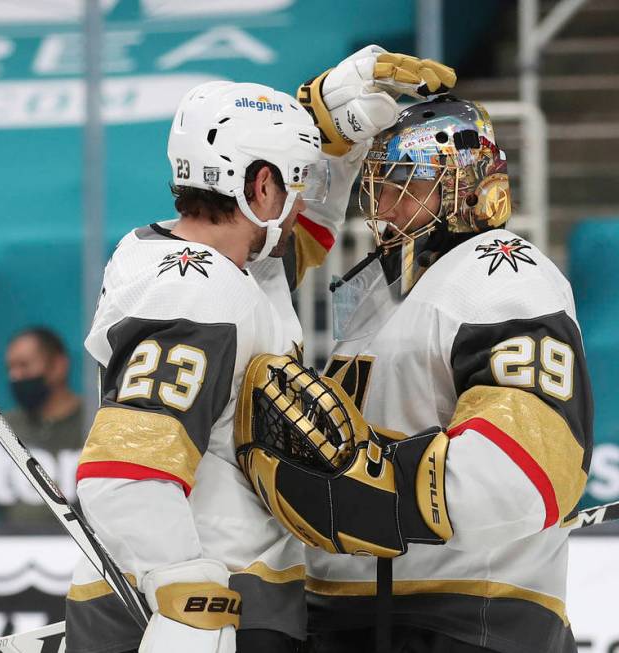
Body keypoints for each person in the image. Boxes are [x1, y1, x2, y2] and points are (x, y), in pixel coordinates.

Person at [63, 50, 457, 653]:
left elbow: (294, 243)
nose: (304, 197)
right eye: (294, 180)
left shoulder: (205, 265)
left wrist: (337, 123)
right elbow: (126, 471)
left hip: (204, 590)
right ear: (261, 184)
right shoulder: (199, 293)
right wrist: (182, 586)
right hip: (208, 603)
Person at [235, 95, 593, 652]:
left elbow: (531, 466)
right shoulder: (385, 288)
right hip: (351, 614)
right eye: (380, 186)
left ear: (468, 186)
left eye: (406, 185)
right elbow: (250, 266)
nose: (386, 206)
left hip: (466, 622)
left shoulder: (502, 273)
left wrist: (375, 490)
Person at [0, 326, 85, 524]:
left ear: (58, 366)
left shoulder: (94, 423)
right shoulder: (0, 429)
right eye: (11, 368)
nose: (15, 376)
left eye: (24, 365)